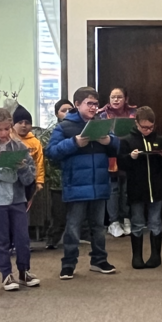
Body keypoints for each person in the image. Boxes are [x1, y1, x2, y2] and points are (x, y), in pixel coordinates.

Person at [46, 87, 120, 280]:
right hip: (76, 184)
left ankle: (99, 260)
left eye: (96, 104)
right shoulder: (64, 127)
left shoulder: (101, 125)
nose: (93, 107)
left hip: (99, 184)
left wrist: (108, 141)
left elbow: (118, 148)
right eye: (89, 103)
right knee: (73, 226)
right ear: (77, 104)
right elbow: (51, 152)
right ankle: (69, 264)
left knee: (98, 226)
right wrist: (74, 143)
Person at [0, 108, 39, 291]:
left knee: (22, 237)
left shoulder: (19, 146)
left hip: (17, 198)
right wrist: (13, 173)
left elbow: (30, 178)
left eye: (7, 129)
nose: (4, 134)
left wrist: (20, 168)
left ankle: (24, 271)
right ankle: (6, 274)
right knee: (1, 239)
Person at [118, 107, 162, 269]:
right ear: (136, 124)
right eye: (144, 127)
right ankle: (137, 257)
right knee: (137, 222)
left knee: (156, 222)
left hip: (156, 188)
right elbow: (121, 163)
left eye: (151, 127)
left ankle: (156, 256)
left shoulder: (161, 140)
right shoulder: (127, 141)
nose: (148, 130)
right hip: (136, 188)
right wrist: (131, 157)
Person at [98, 87, 136, 237]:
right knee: (113, 190)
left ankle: (125, 218)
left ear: (125, 99)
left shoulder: (134, 113)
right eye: (113, 97)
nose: (115, 100)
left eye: (119, 97)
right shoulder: (101, 115)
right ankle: (113, 222)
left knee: (126, 189)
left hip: (127, 154)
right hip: (110, 156)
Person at [38, 99, 74, 250]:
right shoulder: (51, 131)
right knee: (58, 213)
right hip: (57, 179)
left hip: (75, 178)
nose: (67, 113)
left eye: (70, 110)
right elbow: (49, 154)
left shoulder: (78, 128)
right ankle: (52, 239)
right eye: (63, 110)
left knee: (76, 213)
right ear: (56, 113)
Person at [13, 104, 47, 246]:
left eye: (27, 123)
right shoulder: (10, 140)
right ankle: (11, 242)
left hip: (29, 182)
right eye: (20, 122)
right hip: (13, 184)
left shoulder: (35, 142)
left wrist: (39, 181)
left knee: (23, 213)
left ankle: (22, 241)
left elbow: (39, 162)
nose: (24, 126)